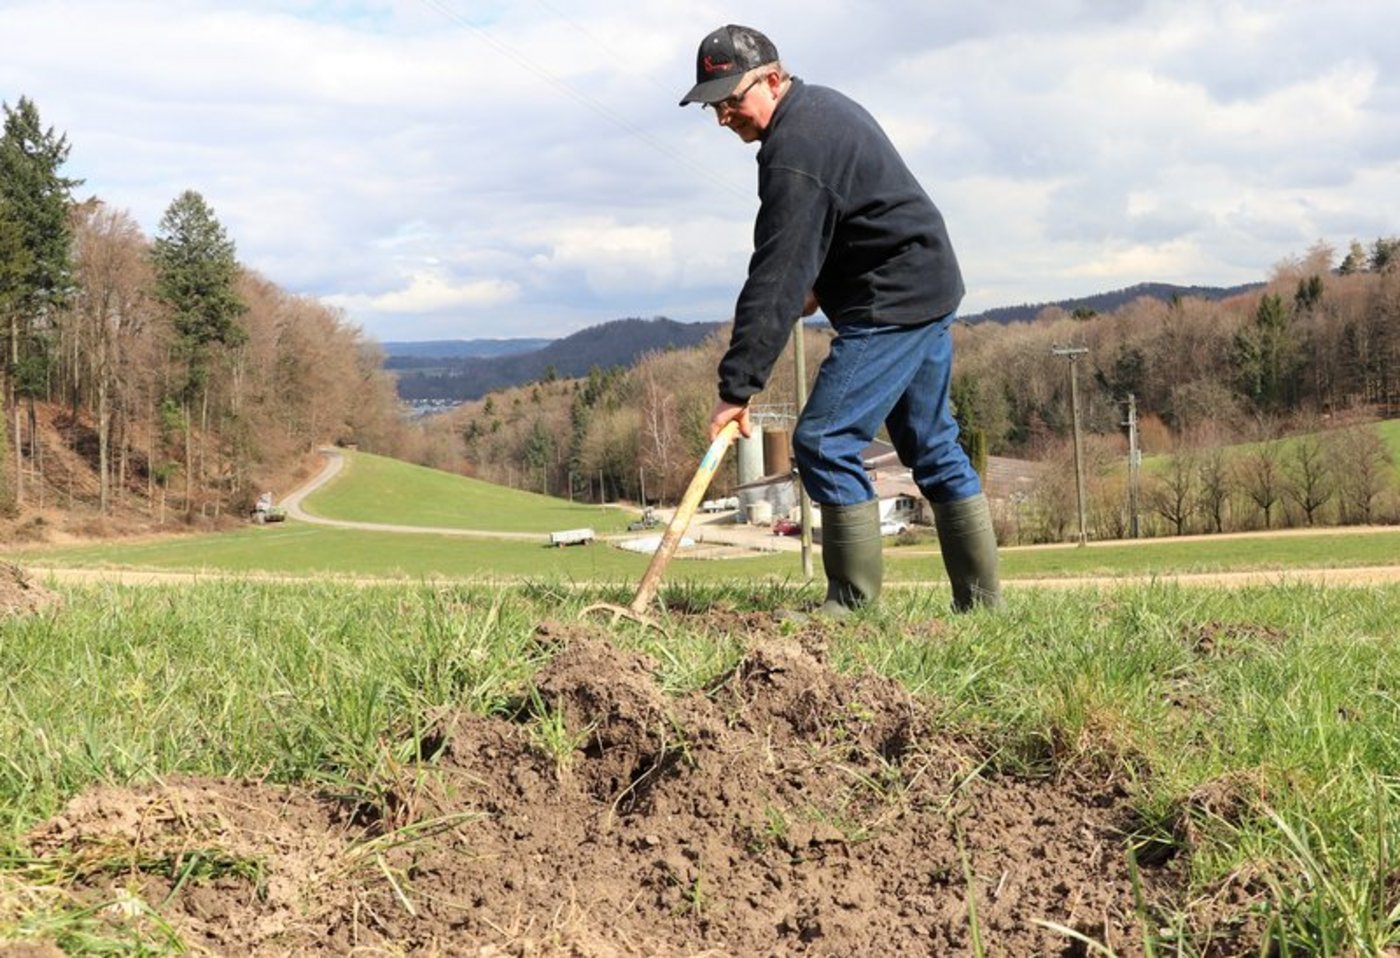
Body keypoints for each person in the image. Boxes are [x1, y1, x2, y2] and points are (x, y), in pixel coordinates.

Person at [680, 24, 1001, 615]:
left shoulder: (795, 149)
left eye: (732, 99)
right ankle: (983, 612)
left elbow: (775, 275)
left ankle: (850, 609)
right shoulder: (819, 110)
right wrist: (814, 284)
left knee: (825, 440)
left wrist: (737, 388)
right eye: (713, 106)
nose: (724, 116)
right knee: (932, 445)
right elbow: (840, 225)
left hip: (893, 301)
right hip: (925, 283)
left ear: (772, 80)